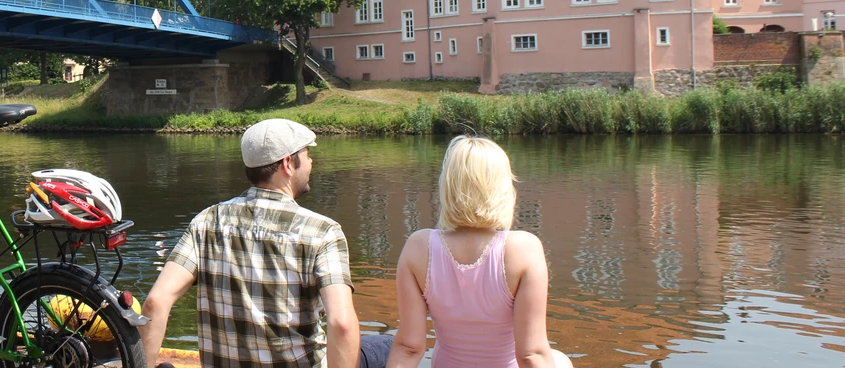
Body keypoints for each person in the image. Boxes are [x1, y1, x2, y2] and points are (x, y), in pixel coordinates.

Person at [139, 118, 393, 368]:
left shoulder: (206, 221)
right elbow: (342, 324)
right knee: (387, 347)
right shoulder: (323, 232)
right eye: (305, 155)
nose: (311, 162)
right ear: (287, 164)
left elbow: (155, 302)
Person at [386, 136, 572, 368]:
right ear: (503, 188)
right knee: (560, 360)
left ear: (448, 186)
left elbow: (409, 347)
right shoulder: (524, 248)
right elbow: (531, 354)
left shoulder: (418, 246)